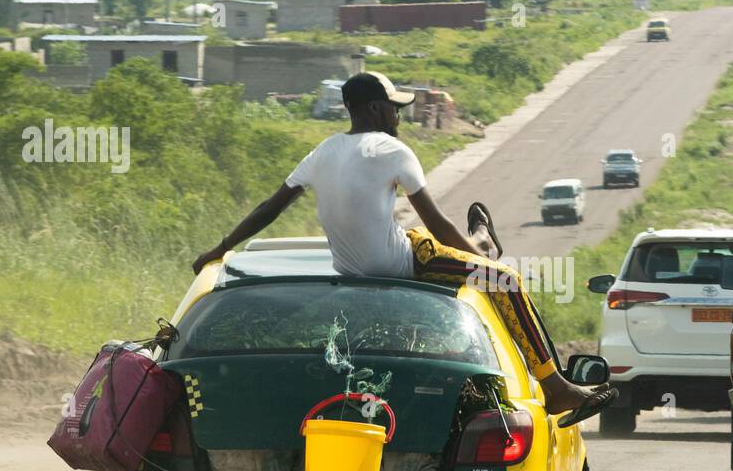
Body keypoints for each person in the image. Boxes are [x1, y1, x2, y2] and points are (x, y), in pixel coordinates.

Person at [192, 71, 614, 427]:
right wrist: (483, 268)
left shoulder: (321, 152)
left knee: (449, 250)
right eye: (395, 106)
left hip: (366, 265)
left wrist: (218, 250)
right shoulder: (394, 150)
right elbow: (438, 223)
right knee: (502, 279)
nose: (399, 114)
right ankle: (555, 386)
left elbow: (270, 208)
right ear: (375, 109)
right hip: (406, 261)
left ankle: (482, 241)